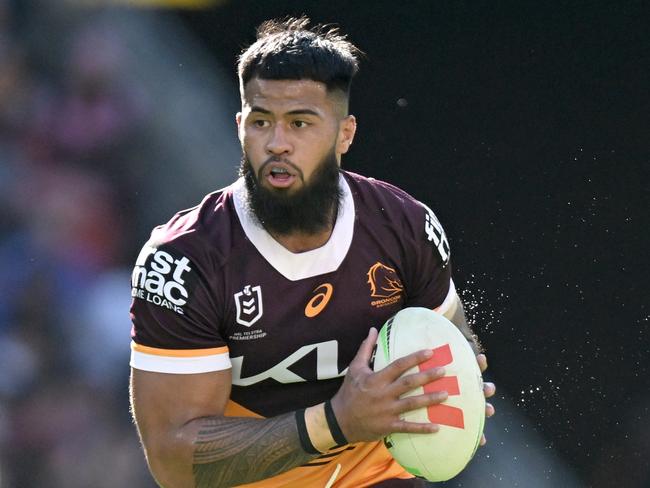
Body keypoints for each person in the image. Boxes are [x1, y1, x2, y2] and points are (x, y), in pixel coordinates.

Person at [129, 17, 496, 488]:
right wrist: (335, 422)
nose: (278, 144)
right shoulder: (182, 261)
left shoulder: (404, 225)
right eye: (261, 122)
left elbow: (452, 337)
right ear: (241, 126)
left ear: (345, 134)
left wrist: (461, 382)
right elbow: (172, 462)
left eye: (300, 123)